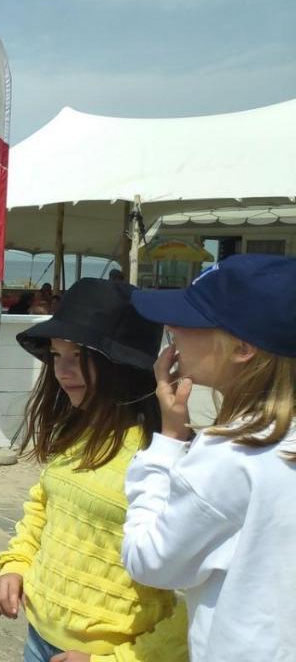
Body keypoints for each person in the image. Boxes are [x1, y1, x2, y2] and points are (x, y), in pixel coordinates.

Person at [0, 278, 188, 662]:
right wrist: (15, 566)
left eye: (80, 355)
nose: (63, 371)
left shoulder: (164, 455)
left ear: (124, 364)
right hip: (38, 636)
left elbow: (200, 602)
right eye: (57, 354)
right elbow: (44, 511)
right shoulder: (79, 427)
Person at [122, 254, 296, 660]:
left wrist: (167, 441)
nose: (172, 329)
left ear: (242, 348)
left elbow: (148, 560)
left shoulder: (232, 454)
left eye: (193, 320)